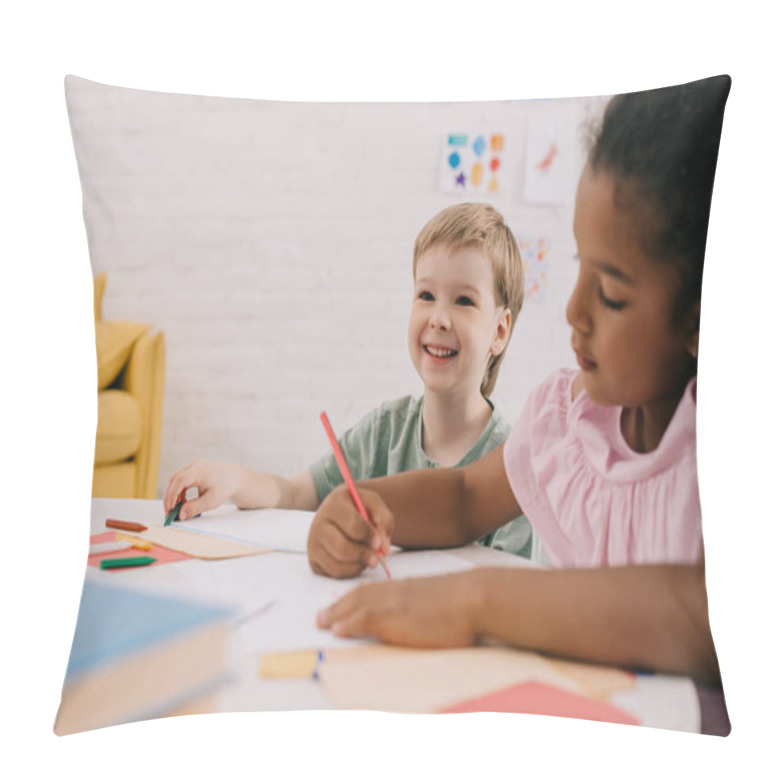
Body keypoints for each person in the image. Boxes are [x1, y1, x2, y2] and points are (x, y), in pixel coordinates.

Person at [310, 76, 731, 686]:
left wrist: (474, 602)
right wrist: (365, 507)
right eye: (580, 265)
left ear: (702, 317)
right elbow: (462, 499)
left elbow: (701, 610)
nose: (573, 309)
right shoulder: (568, 423)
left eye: (610, 293)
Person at [163, 203, 537, 559]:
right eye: (426, 295)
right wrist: (234, 479)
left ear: (499, 331)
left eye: (464, 301)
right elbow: (297, 494)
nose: (439, 317)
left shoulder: (511, 467)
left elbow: (511, 594)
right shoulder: (384, 432)